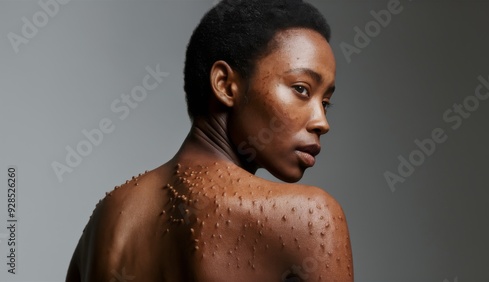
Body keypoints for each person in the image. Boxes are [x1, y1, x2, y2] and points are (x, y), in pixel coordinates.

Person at [66, 0, 353, 281]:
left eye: (325, 103)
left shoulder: (106, 219)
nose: (321, 122)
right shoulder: (309, 218)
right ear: (225, 85)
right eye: (302, 89)